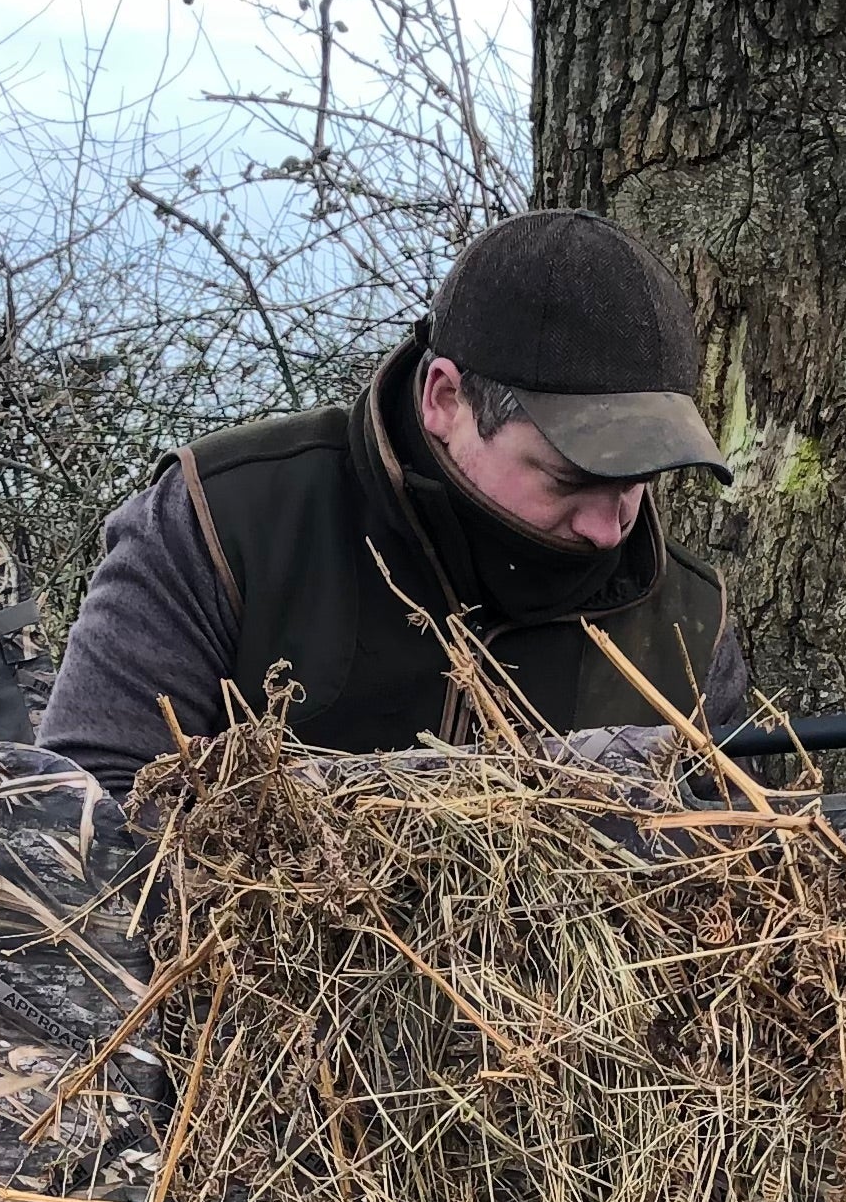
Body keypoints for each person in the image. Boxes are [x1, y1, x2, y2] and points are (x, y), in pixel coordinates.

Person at [39, 208, 745, 797]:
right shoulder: (223, 522)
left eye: (638, 480)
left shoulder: (688, 623)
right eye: (567, 480)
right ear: (446, 399)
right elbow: (81, 810)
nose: (607, 529)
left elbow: (742, 890)